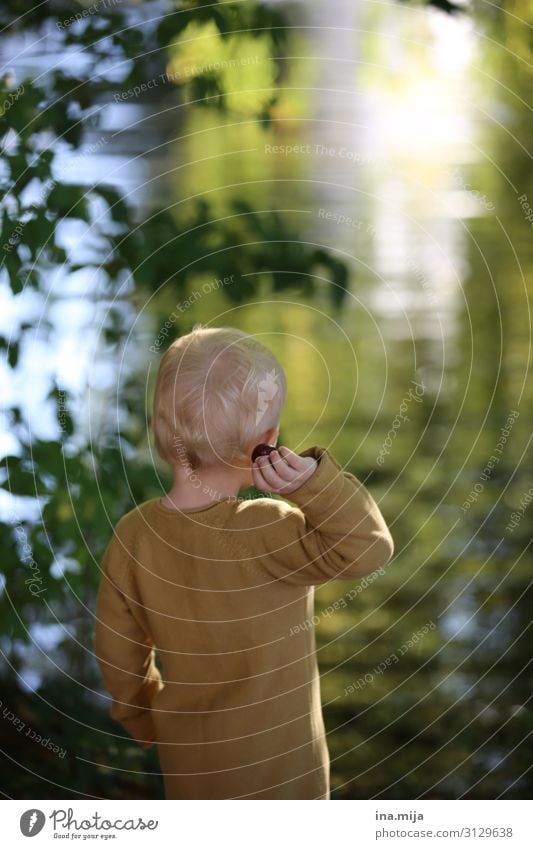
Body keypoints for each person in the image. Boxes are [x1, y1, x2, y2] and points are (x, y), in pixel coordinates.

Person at [94, 324, 394, 799]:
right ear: (268, 439)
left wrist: (142, 718)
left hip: (191, 774)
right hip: (286, 783)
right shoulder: (268, 527)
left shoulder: (134, 536)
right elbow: (369, 547)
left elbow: (119, 653)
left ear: (158, 431)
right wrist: (313, 485)